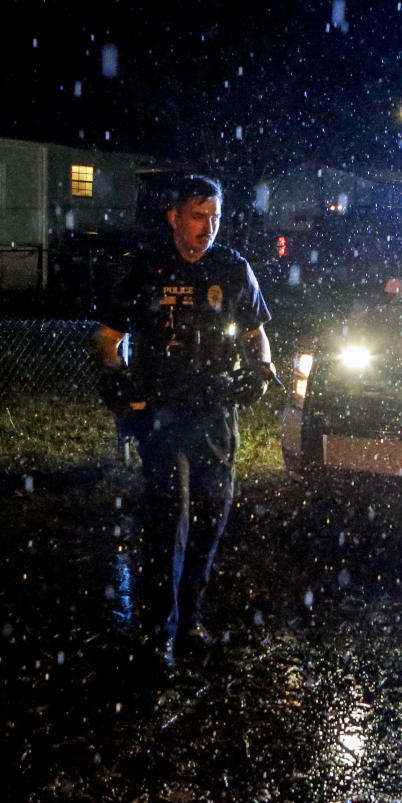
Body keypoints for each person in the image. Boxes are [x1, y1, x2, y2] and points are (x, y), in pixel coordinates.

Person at [92, 174, 276, 670]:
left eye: (214, 217)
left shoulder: (232, 268)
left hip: (216, 412)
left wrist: (263, 370)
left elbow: (259, 334)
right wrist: (117, 380)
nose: (208, 227)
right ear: (174, 216)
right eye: (198, 216)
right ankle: (159, 632)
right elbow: (108, 338)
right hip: (162, 413)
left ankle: (192, 618)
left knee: (210, 519)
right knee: (168, 518)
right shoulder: (146, 268)